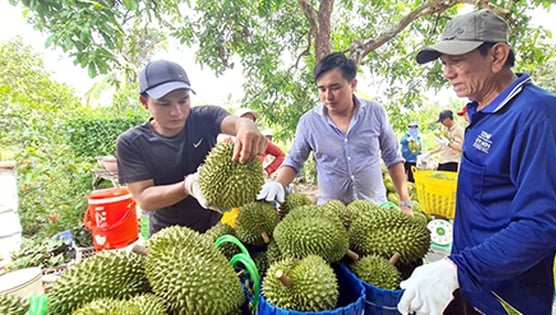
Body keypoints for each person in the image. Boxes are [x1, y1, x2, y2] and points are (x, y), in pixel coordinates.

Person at [397, 9, 556, 315]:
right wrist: (454, 271)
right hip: (468, 287)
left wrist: (459, 268)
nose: (447, 73)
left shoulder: (541, 117)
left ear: (497, 55)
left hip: (506, 302)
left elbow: (541, 224)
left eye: (456, 61)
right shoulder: (480, 113)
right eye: (444, 64)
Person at [116, 59, 267, 236]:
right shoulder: (132, 142)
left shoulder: (205, 117)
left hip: (217, 229)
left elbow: (235, 123)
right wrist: (187, 186)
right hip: (170, 237)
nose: (177, 111)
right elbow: (144, 199)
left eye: (183, 101)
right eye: (165, 104)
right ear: (144, 102)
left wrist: (246, 125)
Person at [256, 52, 413, 214]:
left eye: (335, 88)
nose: (328, 96)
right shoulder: (309, 122)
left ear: (353, 84)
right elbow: (295, 160)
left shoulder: (375, 113)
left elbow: (392, 157)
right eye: (322, 89)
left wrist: (405, 201)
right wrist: (278, 183)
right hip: (331, 215)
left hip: (375, 210)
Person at [234, 108, 286, 177]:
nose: (248, 123)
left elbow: (281, 155)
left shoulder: (261, 141)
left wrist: (268, 170)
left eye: (251, 120)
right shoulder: (228, 142)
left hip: (256, 182)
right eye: (245, 120)